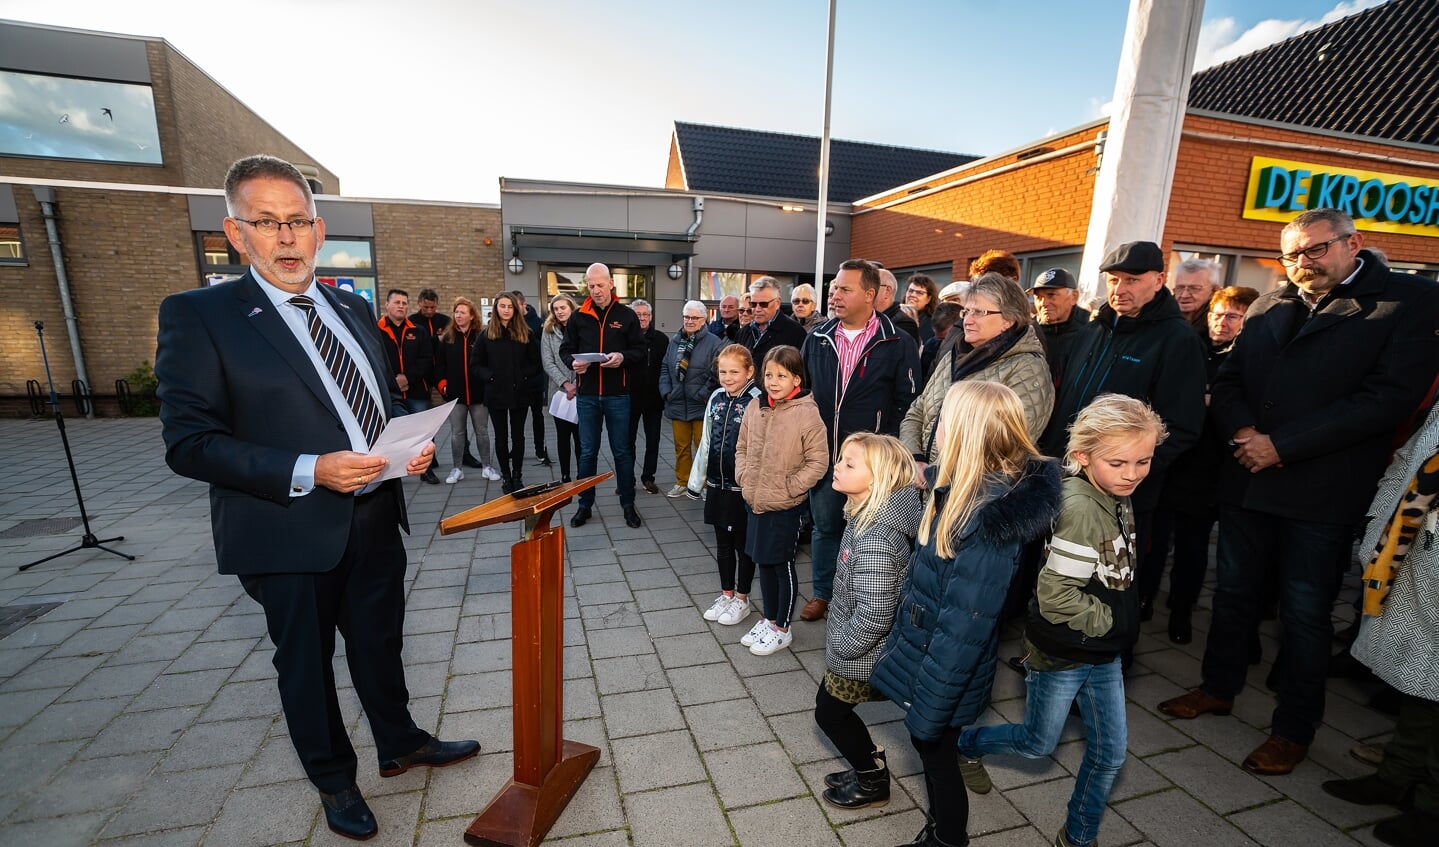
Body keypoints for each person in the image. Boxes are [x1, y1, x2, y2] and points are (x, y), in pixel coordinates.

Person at [154, 155, 477, 842]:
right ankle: (333, 779)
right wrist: (310, 467)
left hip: (373, 513)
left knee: (380, 643)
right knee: (305, 665)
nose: (286, 236)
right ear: (235, 232)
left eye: (298, 220)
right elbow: (189, 443)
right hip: (285, 526)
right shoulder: (198, 315)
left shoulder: (352, 306)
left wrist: (403, 448)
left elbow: (376, 400)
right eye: (266, 222)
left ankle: (400, 740)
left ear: (320, 227)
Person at [1159, 208, 1439, 776]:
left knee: (1305, 613)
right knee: (1233, 596)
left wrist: (1282, 446)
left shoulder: (1406, 301)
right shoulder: (1270, 301)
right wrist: (1242, 433)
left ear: (1352, 243)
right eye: (1291, 255)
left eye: (1315, 251)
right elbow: (1231, 380)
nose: (1302, 264)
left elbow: (1386, 400)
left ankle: (1293, 729)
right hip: (1247, 479)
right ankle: (1218, 687)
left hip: (1321, 490)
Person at [961, 394, 1166, 847]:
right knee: (1037, 744)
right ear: (1082, 456)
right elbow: (1056, 597)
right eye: (1119, 462)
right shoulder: (1080, 510)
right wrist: (1110, 621)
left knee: (1110, 755)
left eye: (1144, 461)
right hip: (1063, 652)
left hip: (1103, 651)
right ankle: (965, 746)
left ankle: (1077, 837)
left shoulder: (1113, 491)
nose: (1132, 474)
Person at [869, 380, 1062, 847]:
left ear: (964, 432)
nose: (934, 430)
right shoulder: (956, 489)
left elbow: (965, 627)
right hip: (928, 652)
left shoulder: (985, 515)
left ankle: (948, 838)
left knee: (936, 753)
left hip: (944, 667)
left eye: (943, 422)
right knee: (931, 749)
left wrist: (932, 699)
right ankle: (941, 829)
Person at [1038, 241, 1206, 633]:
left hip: (1121, 495)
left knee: (1107, 585)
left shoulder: (1176, 340)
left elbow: (1181, 429)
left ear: (1159, 280)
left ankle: (1105, 662)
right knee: (1060, 570)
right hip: (1066, 479)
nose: (1120, 289)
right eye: (1114, 279)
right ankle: (1053, 650)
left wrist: (1124, 474)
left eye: (1133, 279)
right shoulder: (1094, 330)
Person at [1323, 398, 1439, 847]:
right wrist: (1379, 526)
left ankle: (1431, 806)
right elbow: (1410, 457)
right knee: (1421, 673)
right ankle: (1397, 775)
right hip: (1413, 548)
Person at [800, 258, 921, 622]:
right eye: (834, 287)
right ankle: (824, 593)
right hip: (824, 457)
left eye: (844, 289)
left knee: (869, 533)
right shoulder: (817, 339)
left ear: (870, 295)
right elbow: (803, 394)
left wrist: (892, 456)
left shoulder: (897, 342)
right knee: (825, 528)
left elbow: (909, 403)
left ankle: (863, 599)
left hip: (872, 466)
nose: (834, 295)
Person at [1141, 285, 1259, 643]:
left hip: (1209, 471)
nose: (1221, 322)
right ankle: (1144, 598)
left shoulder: (1247, 360)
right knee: (1153, 541)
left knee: (1193, 548)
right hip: (1171, 463)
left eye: (1232, 316)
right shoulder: (1190, 347)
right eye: (1217, 314)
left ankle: (1181, 610)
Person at [813, 432, 922, 810]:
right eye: (840, 458)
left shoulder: (876, 537)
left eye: (849, 463)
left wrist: (842, 645)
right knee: (835, 711)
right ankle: (867, 764)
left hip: (860, 651)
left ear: (878, 479)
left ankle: (872, 779)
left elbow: (875, 612)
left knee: (830, 714)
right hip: (855, 643)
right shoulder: (864, 515)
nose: (837, 466)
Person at [735, 345, 830, 656]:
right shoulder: (756, 407)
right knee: (762, 560)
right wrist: (744, 477)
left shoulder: (806, 413)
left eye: (782, 375)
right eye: (768, 375)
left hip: (785, 506)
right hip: (755, 500)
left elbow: (818, 461)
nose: (773, 381)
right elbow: (742, 446)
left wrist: (792, 487)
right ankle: (769, 618)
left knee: (781, 565)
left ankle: (782, 627)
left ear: (797, 379)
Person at [900, 272, 1053, 462]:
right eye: (967, 311)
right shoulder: (953, 356)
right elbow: (917, 411)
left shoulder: (1028, 369)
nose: (967, 320)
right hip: (926, 482)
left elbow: (1009, 445)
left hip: (972, 488)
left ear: (1008, 320)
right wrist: (916, 459)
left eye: (979, 312)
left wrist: (940, 474)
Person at [559, 263, 646, 528]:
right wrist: (573, 364)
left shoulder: (626, 315)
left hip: (617, 395)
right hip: (586, 396)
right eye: (591, 285)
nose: (596, 290)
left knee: (622, 451)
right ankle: (584, 505)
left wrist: (623, 357)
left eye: (600, 284)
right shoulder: (578, 317)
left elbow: (640, 351)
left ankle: (628, 504)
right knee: (587, 453)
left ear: (611, 284)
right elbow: (566, 350)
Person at [690, 344, 765, 626]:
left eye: (735, 371)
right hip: (717, 485)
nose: (728, 377)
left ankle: (743, 598)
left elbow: (760, 448)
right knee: (722, 543)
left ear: (750, 372)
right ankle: (727, 594)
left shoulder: (758, 401)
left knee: (742, 545)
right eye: (723, 371)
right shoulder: (717, 398)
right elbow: (707, 441)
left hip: (742, 488)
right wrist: (697, 482)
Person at [476, 292, 541, 494]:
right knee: (501, 438)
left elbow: (536, 363)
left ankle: (517, 475)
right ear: (496, 309)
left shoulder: (526, 333)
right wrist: (491, 376)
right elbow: (475, 364)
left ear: (516, 309)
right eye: (502, 306)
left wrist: (522, 376)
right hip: (496, 395)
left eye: (510, 306)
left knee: (518, 437)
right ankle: (506, 476)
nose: (506, 310)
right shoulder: (486, 335)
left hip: (520, 394)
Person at [435, 296, 502, 485]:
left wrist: (488, 381)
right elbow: (439, 366)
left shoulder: (482, 336)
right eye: (456, 312)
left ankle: (487, 467)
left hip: (479, 394)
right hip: (455, 395)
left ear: (472, 316)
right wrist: (443, 385)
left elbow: (489, 363)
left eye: (463, 312)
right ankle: (457, 469)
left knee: (482, 431)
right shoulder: (447, 338)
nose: (458, 315)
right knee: (457, 433)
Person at [376, 288, 439, 484]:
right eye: (397, 302)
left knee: (424, 432)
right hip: (389, 392)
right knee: (392, 433)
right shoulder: (376, 331)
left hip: (417, 390)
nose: (401, 306)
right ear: (387, 305)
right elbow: (375, 359)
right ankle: (392, 470)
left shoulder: (417, 330)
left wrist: (407, 378)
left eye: (404, 303)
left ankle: (426, 470)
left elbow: (426, 359)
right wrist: (393, 381)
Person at [660, 300, 722, 498]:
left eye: (694, 317)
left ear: (704, 320)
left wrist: (703, 395)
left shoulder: (714, 342)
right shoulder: (675, 341)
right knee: (681, 447)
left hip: (701, 405)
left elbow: (717, 373)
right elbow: (664, 368)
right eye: (686, 317)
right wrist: (666, 391)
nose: (689, 321)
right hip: (677, 402)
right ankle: (683, 481)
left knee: (704, 449)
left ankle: (703, 485)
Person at [628, 299, 669, 494]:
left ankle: (648, 478)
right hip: (629, 398)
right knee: (627, 443)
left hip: (654, 399)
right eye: (638, 315)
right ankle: (627, 480)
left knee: (653, 441)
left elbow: (666, 368)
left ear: (651, 317)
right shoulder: (624, 338)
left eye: (646, 314)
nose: (642, 318)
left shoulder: (661, 339)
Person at [540, 293, 582, 483]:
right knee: (563, 437)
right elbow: (547, 361)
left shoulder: (583, 327)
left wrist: (578, 385)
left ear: (571, 308)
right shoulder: (548, 331)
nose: (559, 312)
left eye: (562, 308)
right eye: (555, 309)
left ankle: (584, 475)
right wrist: (566, 384)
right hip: (560, 392)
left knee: (582, 438)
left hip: (582, 391)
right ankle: (565, 475)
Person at [1029, 268, 1091, 386]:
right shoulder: (1028, 331)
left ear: (1074, 297)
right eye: (1038, 297)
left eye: (1051, 295)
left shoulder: (1093, 330)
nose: (1043, 303)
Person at [511, 290, 551, 468]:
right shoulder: (510, 323)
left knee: (537, 416)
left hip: (534, 379)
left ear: (523, 304)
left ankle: (539, 449)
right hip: (516, 382)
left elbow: (542, 351)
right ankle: (516, 448)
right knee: (516, 418)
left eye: (514, 306)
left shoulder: (538, 323)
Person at [739, 276, 808, 369]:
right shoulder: (743, 332)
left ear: (777, 303)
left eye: (763, 304)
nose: (757, 309)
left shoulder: (796, 332)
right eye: (753, 304)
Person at [1170, 258, 1221, 334]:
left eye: (1194, 288)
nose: (1184, 295)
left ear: (1213, 291)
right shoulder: (1159, 316)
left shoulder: (1221, 326)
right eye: (1180, 287)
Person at [876, 268, 921, 345]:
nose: (867, 291)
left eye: (871, 286)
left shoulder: (904, 324)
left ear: (887, 291)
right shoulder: (866, 319)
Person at [920, 302, 962, 383]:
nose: (942, 342)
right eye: (938, 338)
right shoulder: (931, 345)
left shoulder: (965, 347)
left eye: (946, 338)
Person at [905, 273, 940, 343]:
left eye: (919, 293)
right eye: (910, 291)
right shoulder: (894, 316)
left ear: (929, 299)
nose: (913, 295)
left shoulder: (933, 325)